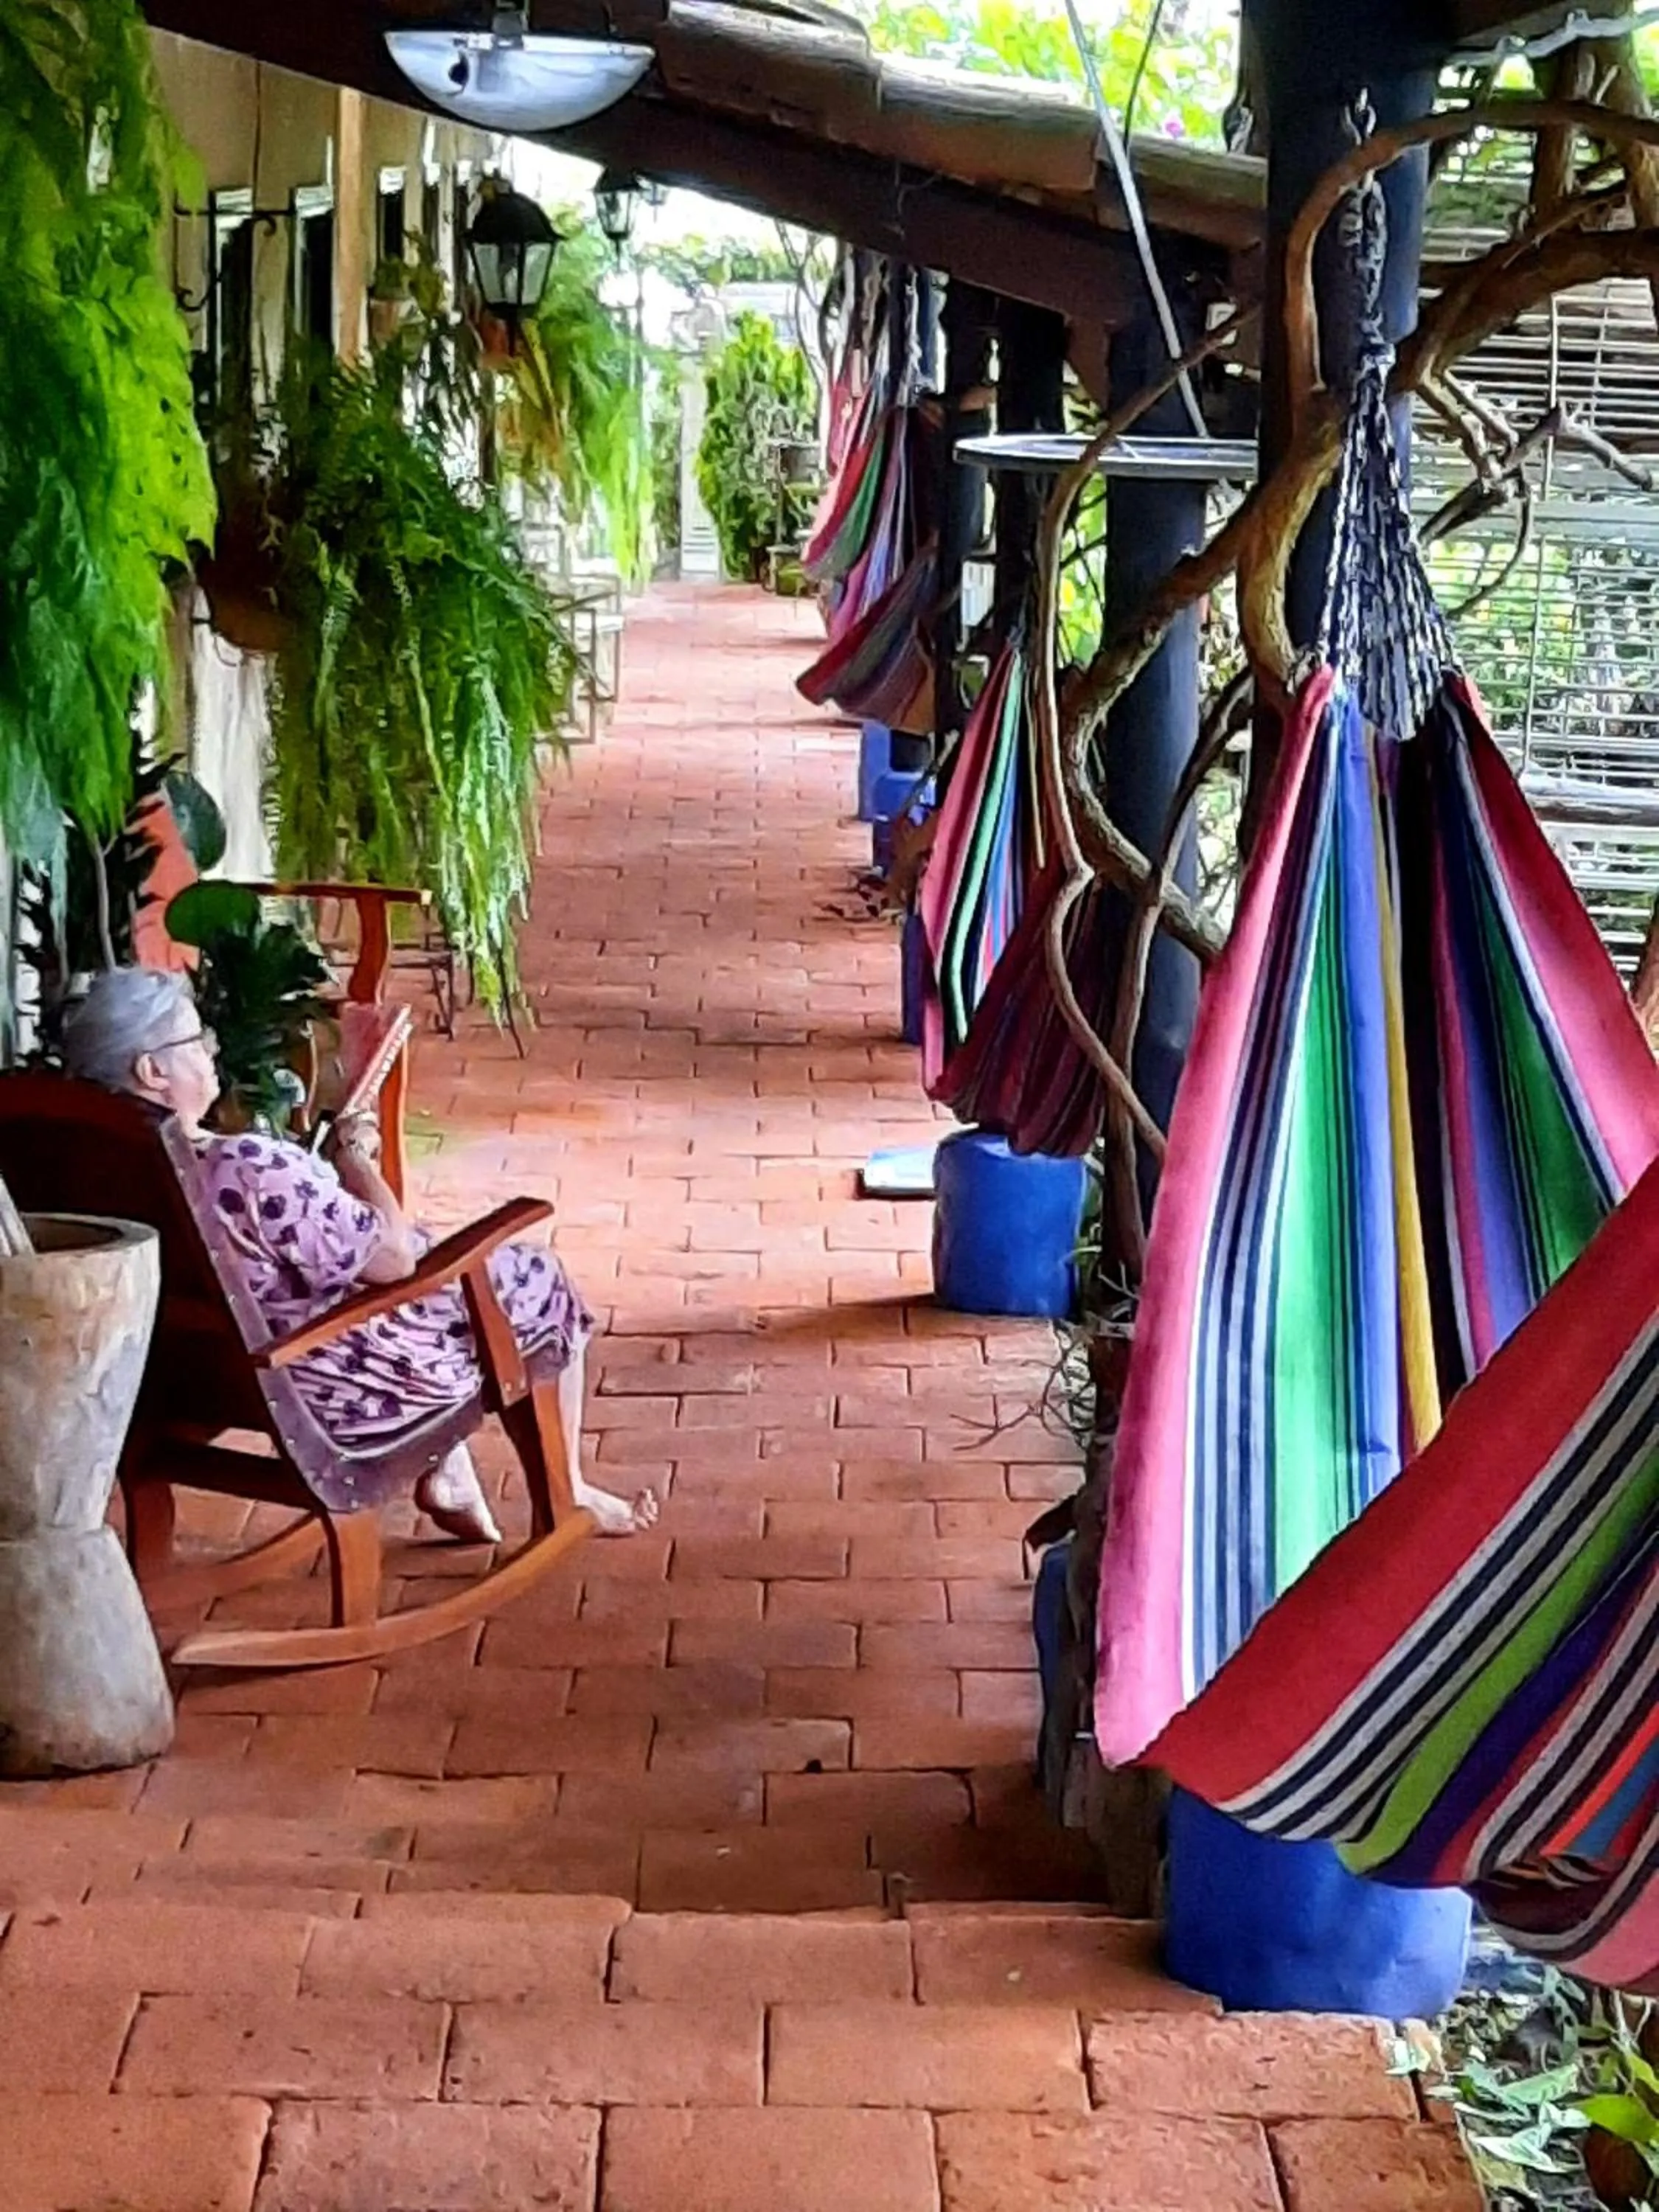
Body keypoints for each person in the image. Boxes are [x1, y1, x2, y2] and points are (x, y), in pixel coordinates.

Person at [60, 968, 658, 1544]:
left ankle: (450, 1471)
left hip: (188, 1378)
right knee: (530, 1273)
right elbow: (392, 1260)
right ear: (152, 1071)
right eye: (196, 1040)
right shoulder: (245, 1168)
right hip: (334, 1384)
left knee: (418, 1277)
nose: (212, 1049)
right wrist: (353, 1151)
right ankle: (567, 1489)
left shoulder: (92, 1167)